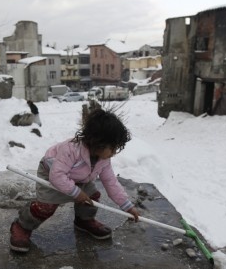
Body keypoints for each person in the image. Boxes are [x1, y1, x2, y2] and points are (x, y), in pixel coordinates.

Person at [10, 108, 140, 252]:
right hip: (53, 174)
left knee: (92, 197)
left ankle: (84, 221)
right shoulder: (71, 150)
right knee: (45, 208)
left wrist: (127, 206)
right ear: (98, 142)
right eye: (113, 147)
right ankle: (22, 225)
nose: (114, 153)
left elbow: (111, 183)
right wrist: (76, 192)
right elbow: (57, 176)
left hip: (79, 177)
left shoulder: (103, 159)